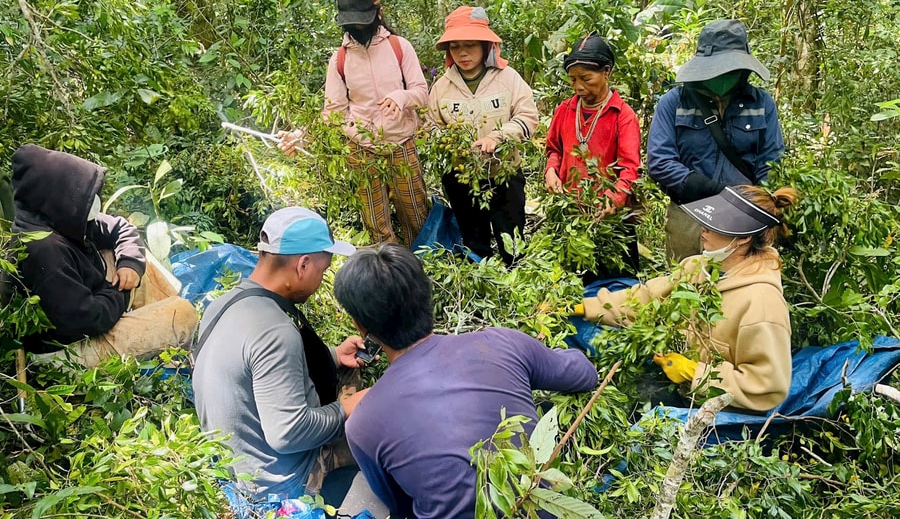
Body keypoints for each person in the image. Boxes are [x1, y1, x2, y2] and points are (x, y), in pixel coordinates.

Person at [333, 244, 598, 518]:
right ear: (427, 295)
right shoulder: (502, 343)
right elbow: (585, 374)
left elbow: (401, 507)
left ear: (359, 326)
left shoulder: (360, 426)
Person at [192, 207, 384, 513]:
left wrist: (334, 356)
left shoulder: (225, 304)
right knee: (381, 446)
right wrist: (348, 407)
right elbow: (289, 433)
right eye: (323, 270)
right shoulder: (276, 331)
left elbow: (254, 371)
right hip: (282, 482)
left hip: (239, 468)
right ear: (303, 265)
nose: (321, 279)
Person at [576, 185, 798, 412]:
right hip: (679, 384)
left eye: (716, 225)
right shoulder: (697, 267)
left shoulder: (761, 302)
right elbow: (647, 299)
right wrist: (586, 307)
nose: (704, 229)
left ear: (744, 238)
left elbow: (766, 386)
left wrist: (694, 372)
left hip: (721, 411)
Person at [11, 144, 197, 368]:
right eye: (84, 196)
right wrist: (120, 291)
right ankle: (167, 333)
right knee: (184, 314)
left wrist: (129, 265)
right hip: (66, 354)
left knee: (132, 259)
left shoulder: (54, 217)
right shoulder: (43, 250)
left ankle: (163, 338)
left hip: (92, 307)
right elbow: (87, 319)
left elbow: (121, 228)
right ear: (60, 196)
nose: (94, 203)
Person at [279, 0, 429, 247]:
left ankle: (424, 262)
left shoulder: (399, 47)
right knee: (376, 223)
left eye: (363, 22)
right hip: (361, 150)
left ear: (379, 13)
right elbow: (333, 112)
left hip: (402, 144)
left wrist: (401, 97)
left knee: (416, 214)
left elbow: (421, 91)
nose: (359, 29)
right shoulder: (340, 59)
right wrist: (302, 136)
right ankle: (388, 267)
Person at [647, 19, 784, 261]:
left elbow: (771, 161)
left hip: (742, 217)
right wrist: (712, 190)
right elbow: (660, 161)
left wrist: (757, 204)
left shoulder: (761, 104)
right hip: (689, 213)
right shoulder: (675, 103)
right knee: (685, 278)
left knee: (740, 279)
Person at [427, 6, 539, 264]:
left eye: (470, 45)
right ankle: (481, 275)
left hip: (504, 173)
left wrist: (498, 137)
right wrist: (447, 144)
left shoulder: (508, 79)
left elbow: (527, 117)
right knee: (473, 241)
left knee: (512, 240)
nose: (462, 53)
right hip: (461, 179)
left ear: (485, 46)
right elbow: (430, 126)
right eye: (455, 47)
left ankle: (515, 275)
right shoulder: (442, 87)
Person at [544, 34, 642, 281]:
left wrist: (614, 197)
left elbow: (630, 168)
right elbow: (554, 149)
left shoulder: (623, 116)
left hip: (612, 220)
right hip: (572, 214)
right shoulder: (565, 110)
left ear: (606, 72)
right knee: (573, 284)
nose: (578, 86)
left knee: (618, 284)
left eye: (586, 79)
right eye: (573, 79)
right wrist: (551, 170)